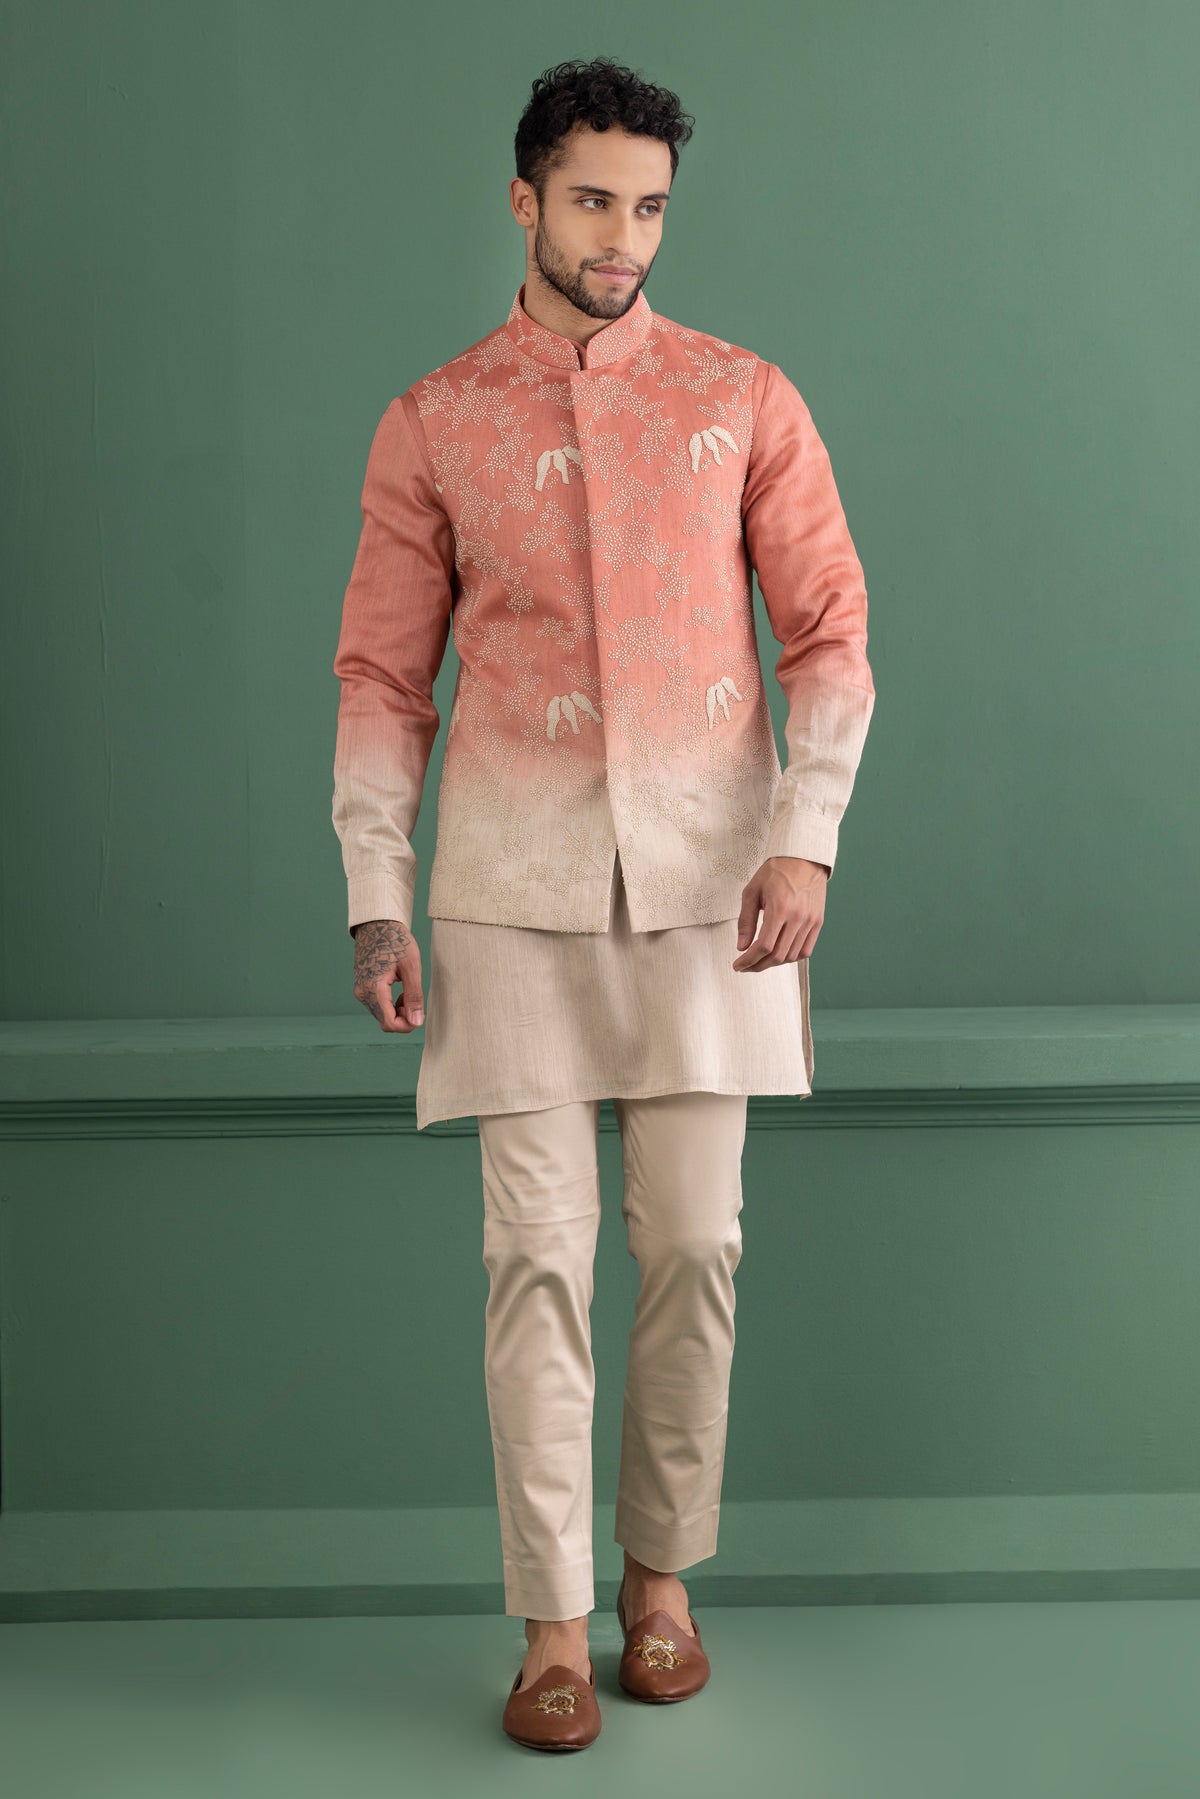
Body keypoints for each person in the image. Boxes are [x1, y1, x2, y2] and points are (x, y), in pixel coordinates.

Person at [331, 55, 875, 1752]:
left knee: (697, 1242)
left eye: (647, 206)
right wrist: (374, 891)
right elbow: (381, 677)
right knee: (534, 1260)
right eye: (591, 201)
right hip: (509, 890)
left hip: (717, 891)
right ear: (524, 200)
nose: (622, 236)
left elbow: (830, 632)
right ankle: (552, 1629)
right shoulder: (435, 419)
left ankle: (664, 1584)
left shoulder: (744, 397)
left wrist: (806, 836)